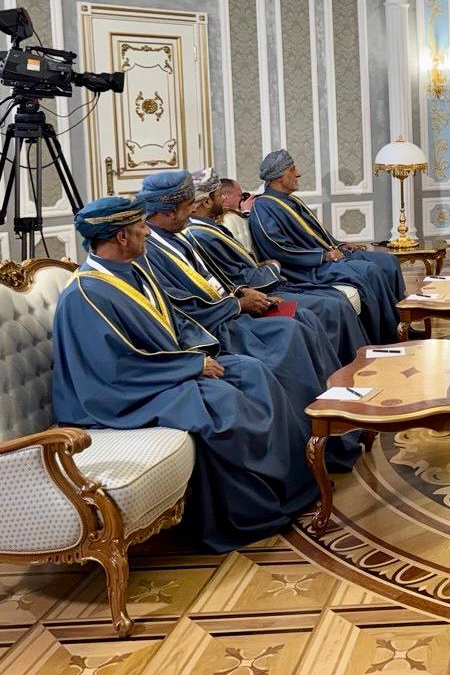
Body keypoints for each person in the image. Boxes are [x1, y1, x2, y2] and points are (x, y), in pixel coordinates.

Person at [51, 196, 318, 552]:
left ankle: (292, 486)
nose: (148, 231)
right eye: (140, 227)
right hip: (118, 395)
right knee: (224, 405)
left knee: (252, 371)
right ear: (122, 237)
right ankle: (248, 514)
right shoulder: (84, 294)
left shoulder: (134, 271)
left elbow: (176, 323)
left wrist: (199, 354)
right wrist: (192, 366)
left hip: (162, 371)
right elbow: (114, 368)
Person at [137, 170, 359, 470]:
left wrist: (243, 293)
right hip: (216, 331)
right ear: (168, 211)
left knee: (301, 323)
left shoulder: (177, 236)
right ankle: (314, 447)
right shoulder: (150, 251)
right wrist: (239, 304)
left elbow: (214, 281)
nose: (193, 210)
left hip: (229, 314)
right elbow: (181, 308)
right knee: (290, 335)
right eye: (188, 205)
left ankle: (337, 425)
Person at [183, 168, 370, 363]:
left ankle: (359, 364)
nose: (224, 199)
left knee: (337, 299)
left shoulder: (210, 227)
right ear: (207, 202)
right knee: (330, 307)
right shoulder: (200, 235)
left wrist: (262, 266)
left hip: (268, 285)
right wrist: (272, 267)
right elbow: (237, 279)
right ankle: (351, 368)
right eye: (220, 195)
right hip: (261, 293)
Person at [250, 150, 405, 343]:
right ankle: (386, 338)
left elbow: (316, 233)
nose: (298, 173)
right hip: (305, 269)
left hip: (325, 257)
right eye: (292, 169)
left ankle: (403, 325)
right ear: (280, 177)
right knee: (370, 271)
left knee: (389, 261)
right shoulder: (263, 206)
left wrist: (339, 245)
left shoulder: (290, 200)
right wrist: (322, 256)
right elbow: (277, 248)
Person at [218, 177, 255, 251]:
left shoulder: (234, 214)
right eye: (239, 195)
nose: (242, 198)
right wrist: (247, 212)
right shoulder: (227, 218)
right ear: (225, 197)